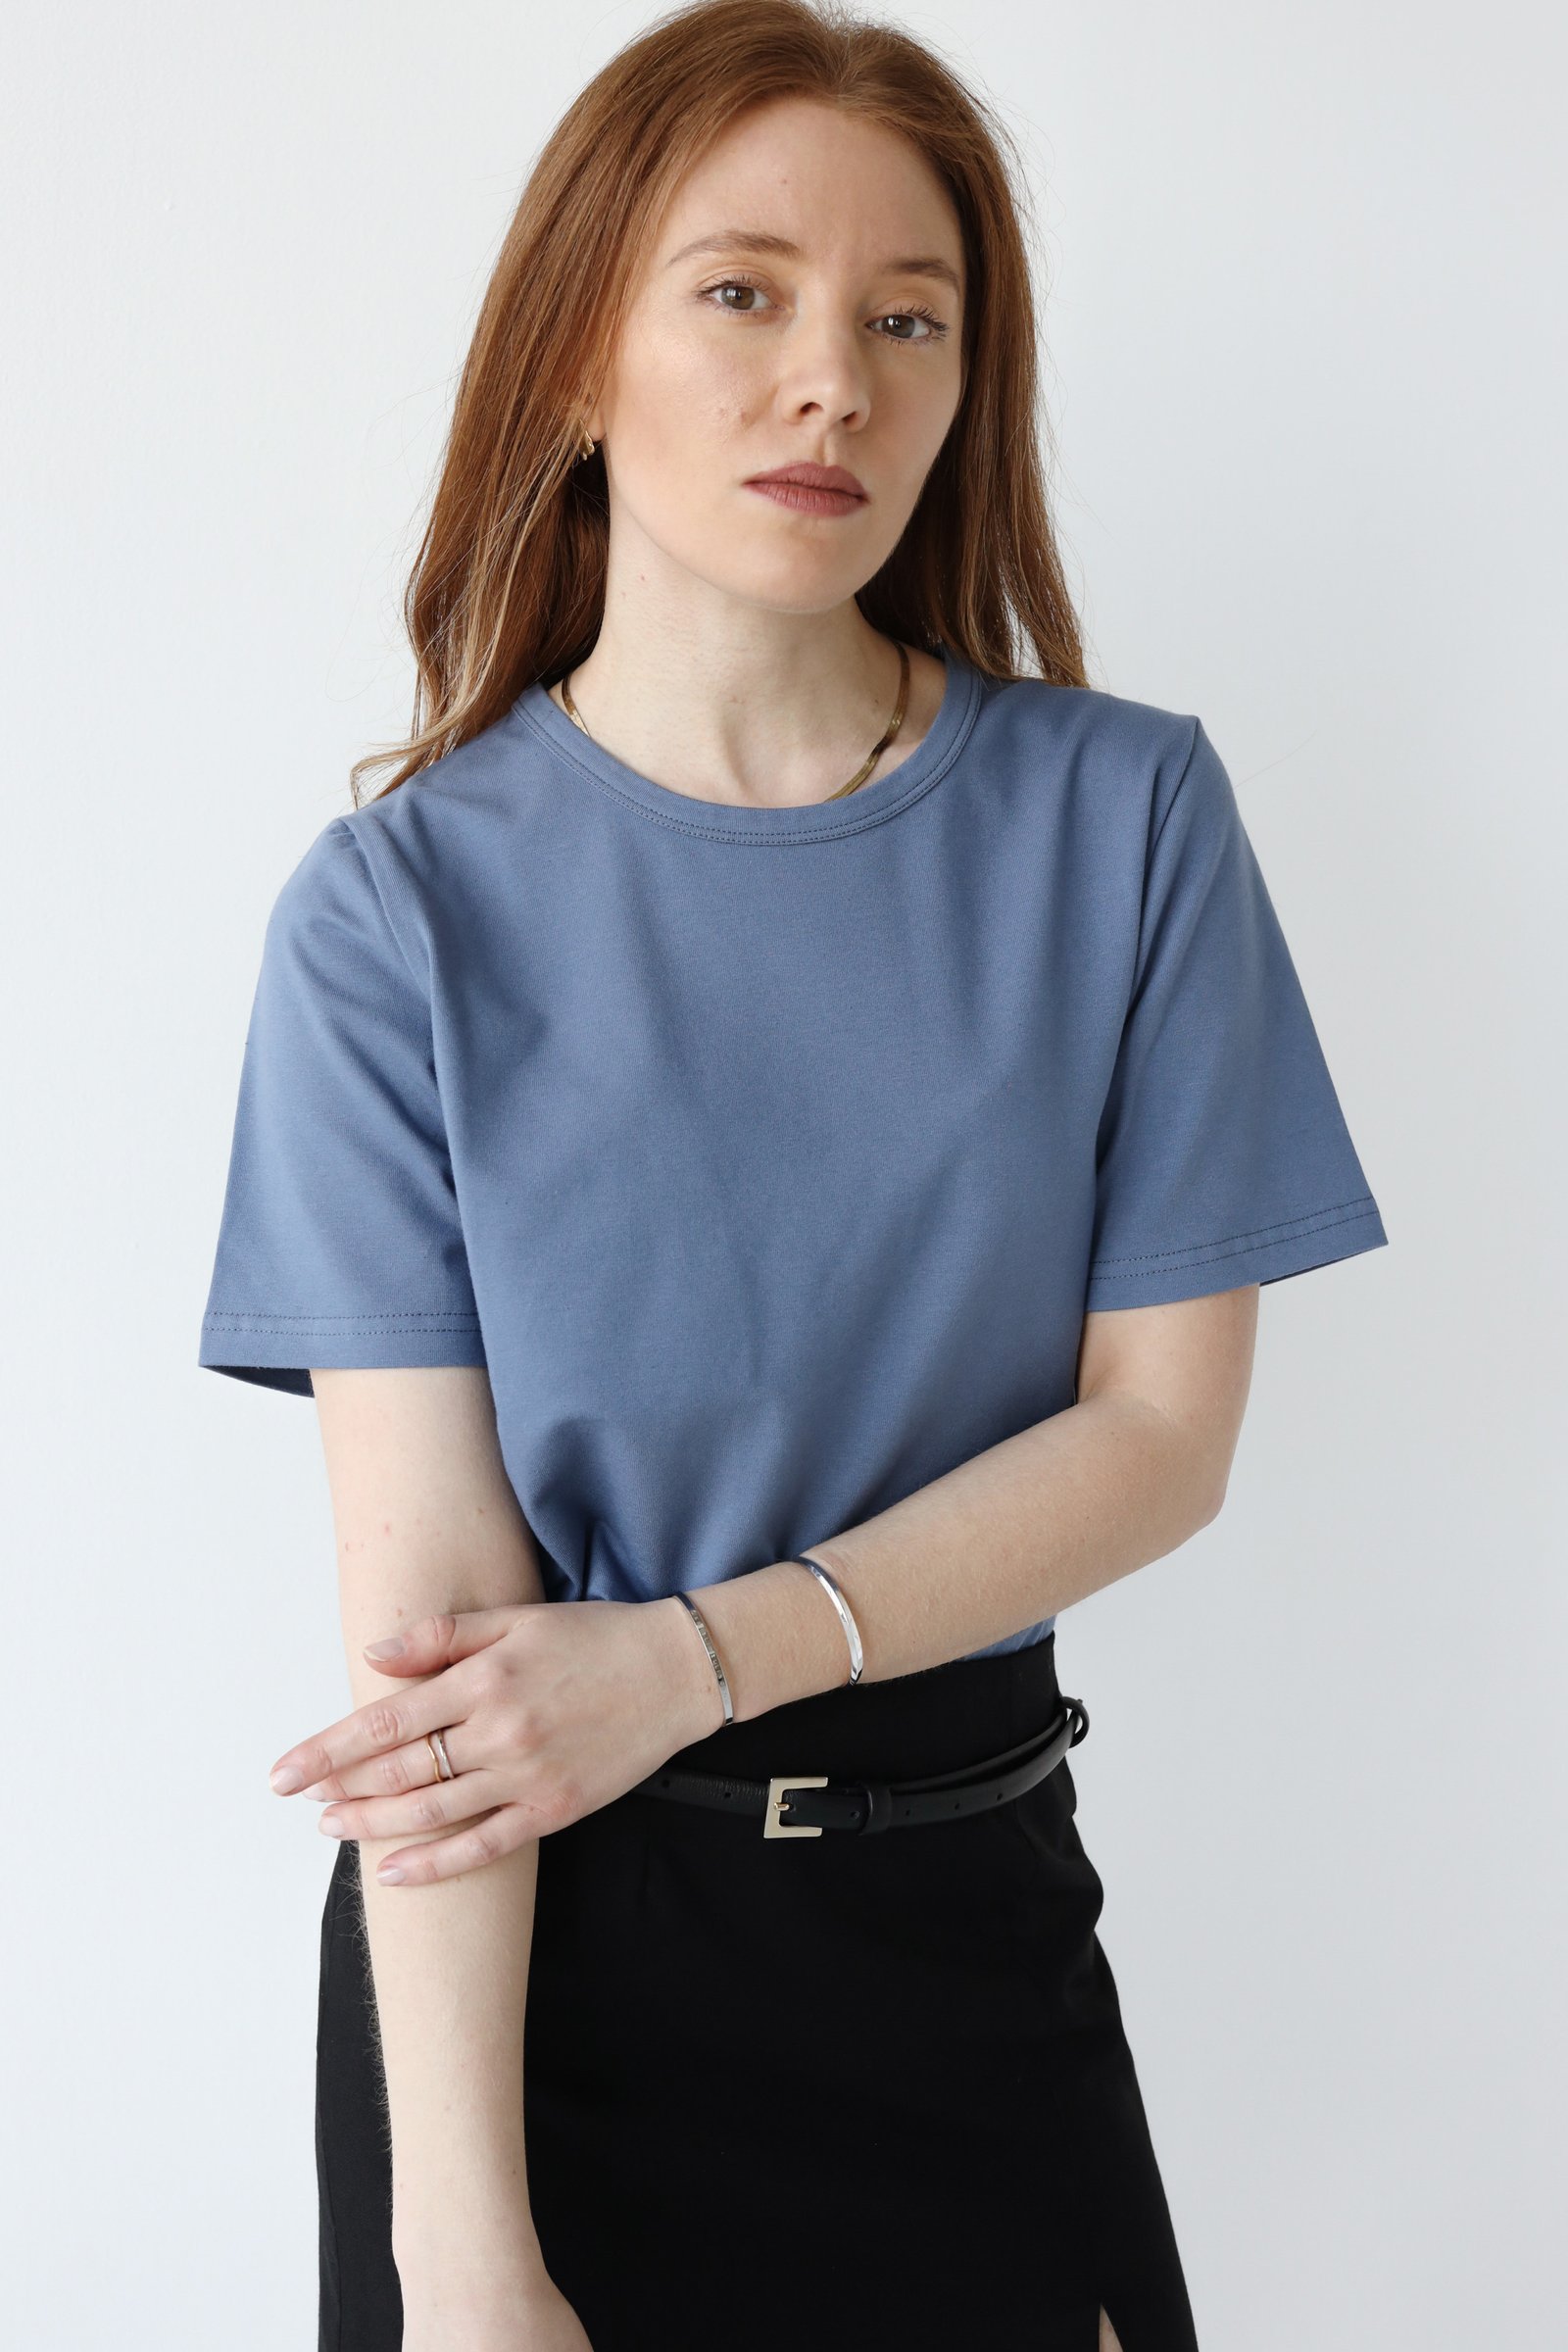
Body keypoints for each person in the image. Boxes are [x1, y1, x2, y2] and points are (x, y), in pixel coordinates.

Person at [196, 4, 1389, 2346]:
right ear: (575, 355)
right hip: (541, 2007)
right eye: (740, 292)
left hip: (969, 1935)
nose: (829, 380)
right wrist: (463, 2255)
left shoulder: (1124, 821)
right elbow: (437, 1659)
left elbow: (1160, 1438)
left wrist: (685, 1662)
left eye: (904, 319)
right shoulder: (395, 919)